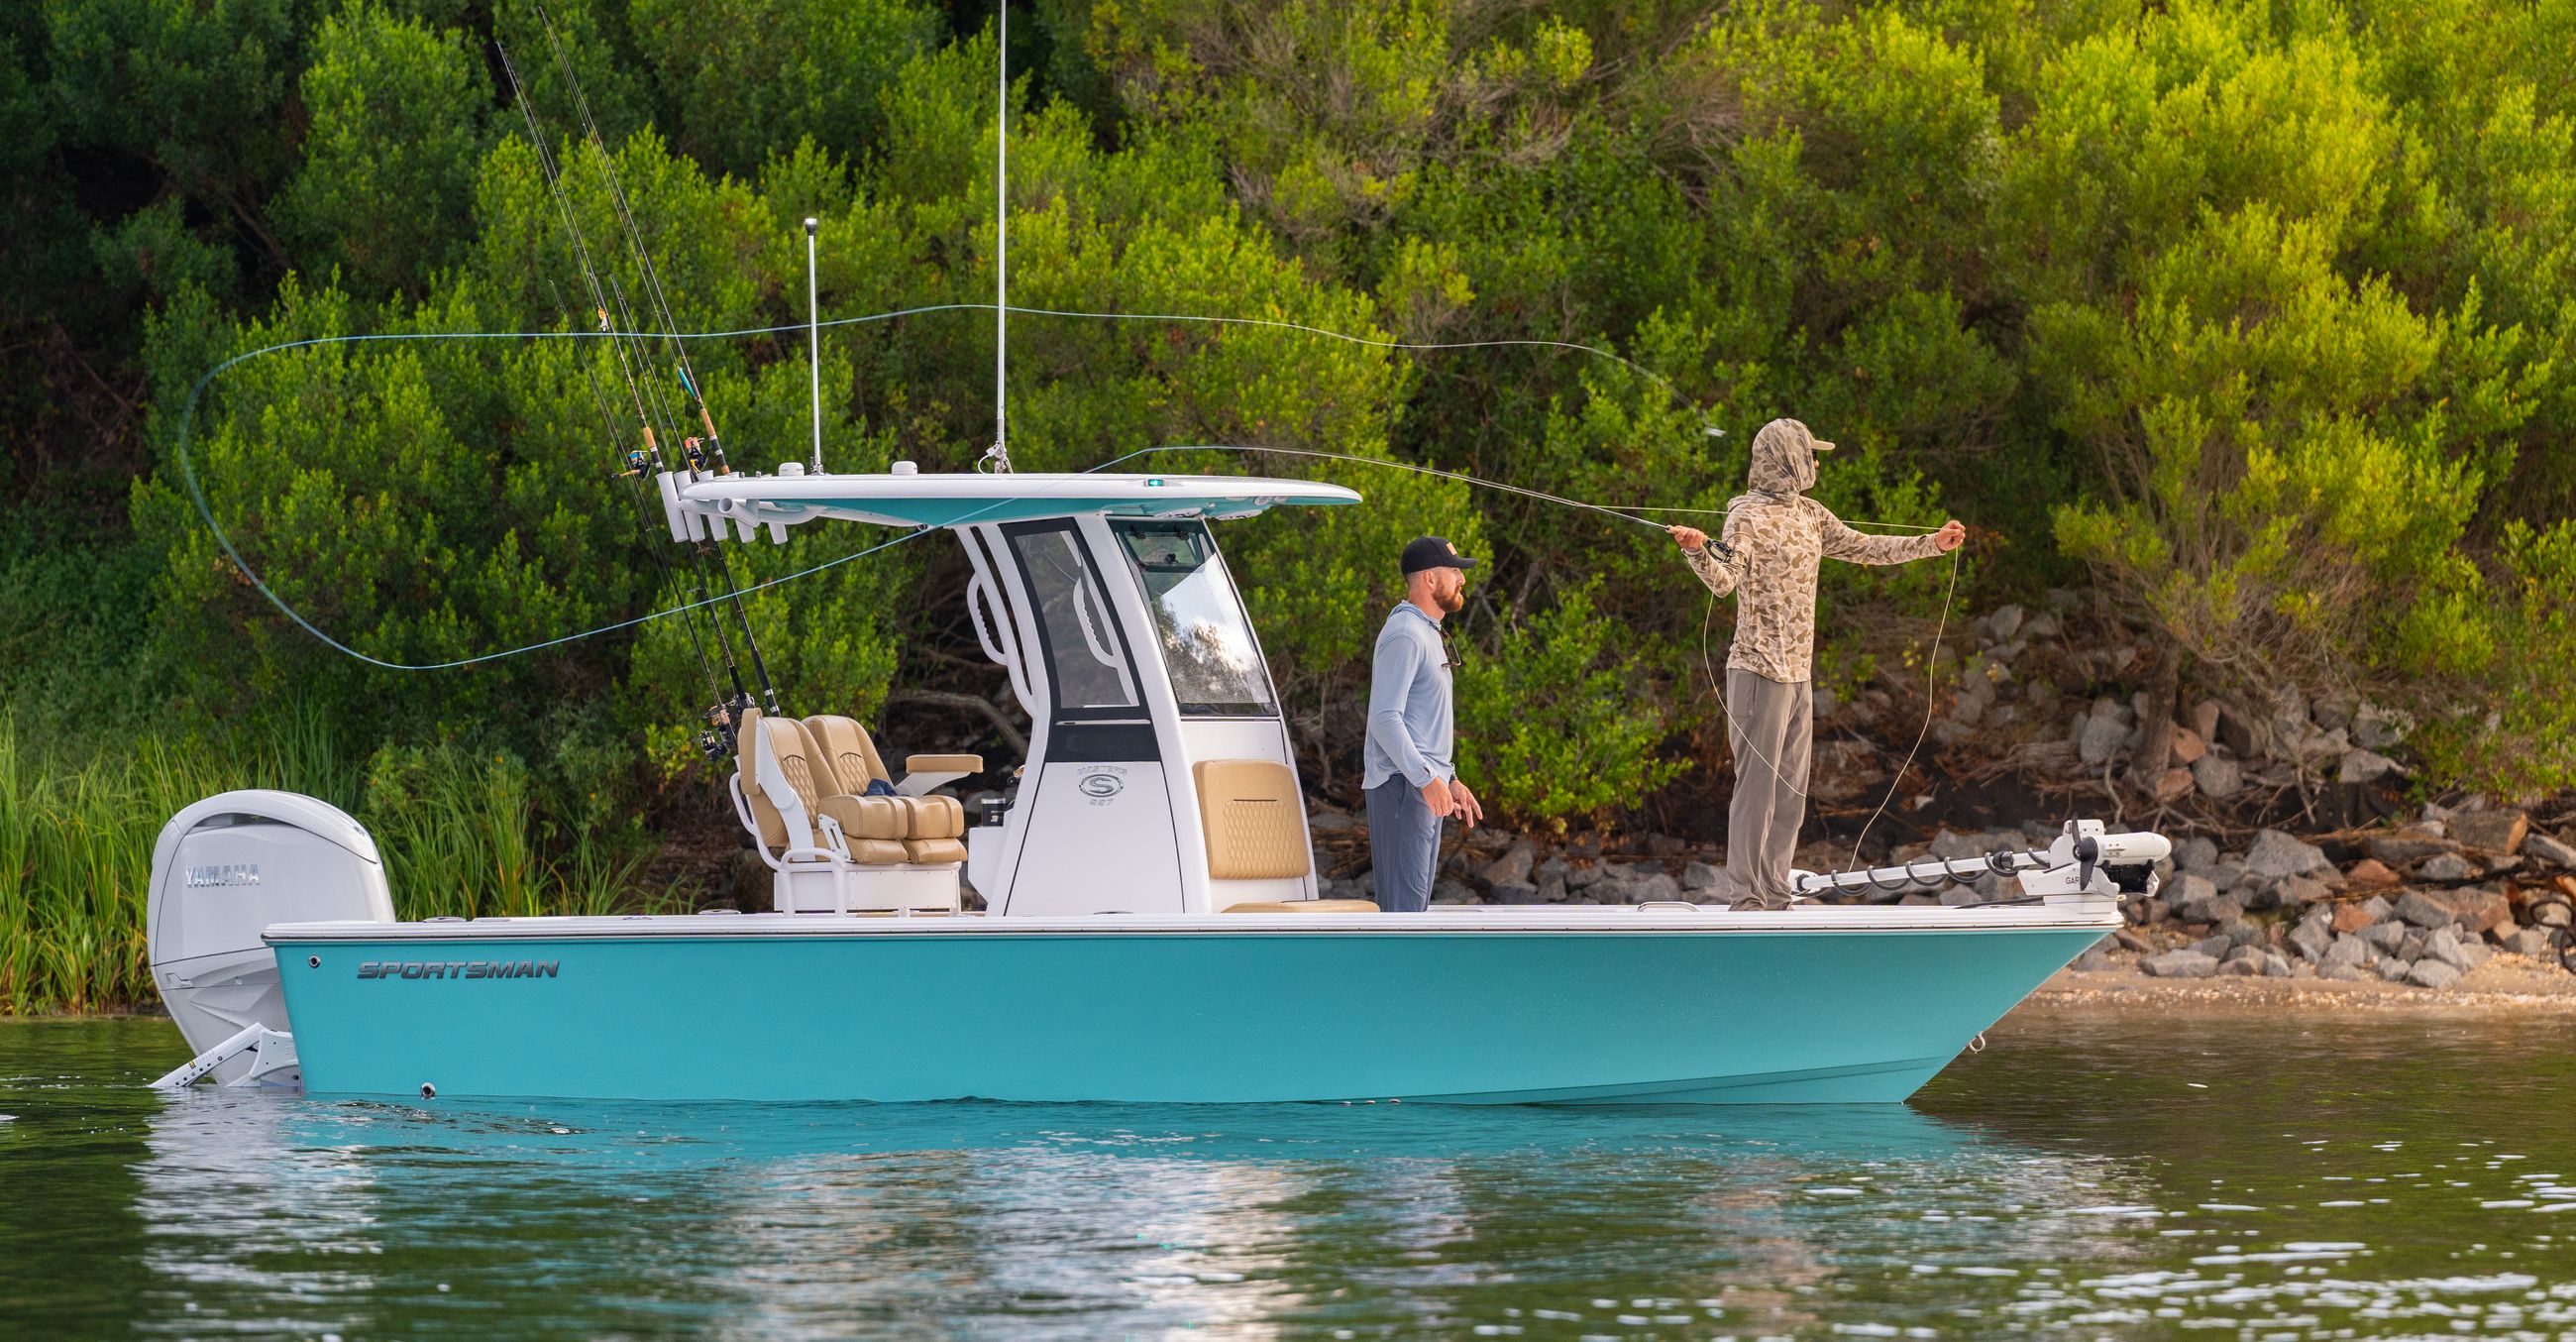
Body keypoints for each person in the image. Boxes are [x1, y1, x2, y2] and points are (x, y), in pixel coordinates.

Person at [1670, 418, 1965, 910]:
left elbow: (1866, 547)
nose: (1818, 463)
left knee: (1790, 794)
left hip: (1798, 674)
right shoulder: (1744, 517)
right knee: (1757, 790)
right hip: (1756, 670)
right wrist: (1698, 552)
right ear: (1788, 460)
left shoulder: (1811, 514)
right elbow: (1724, 582)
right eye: (1810, 455)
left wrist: (1931, 544)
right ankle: (1745, 896)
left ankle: (1777, 891)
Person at [1362, 535, 1484, 912]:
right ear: (1430, 579)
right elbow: (1384, 718)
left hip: (1420, 784)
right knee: (1404, 915)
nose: (1462, 580)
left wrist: (1447, 779)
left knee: (1414, 911)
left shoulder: (1426, 631)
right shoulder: (1404, 633)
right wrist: (1425, 778)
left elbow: (1419, 722)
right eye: (1454, 572)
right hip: (1403, 786)